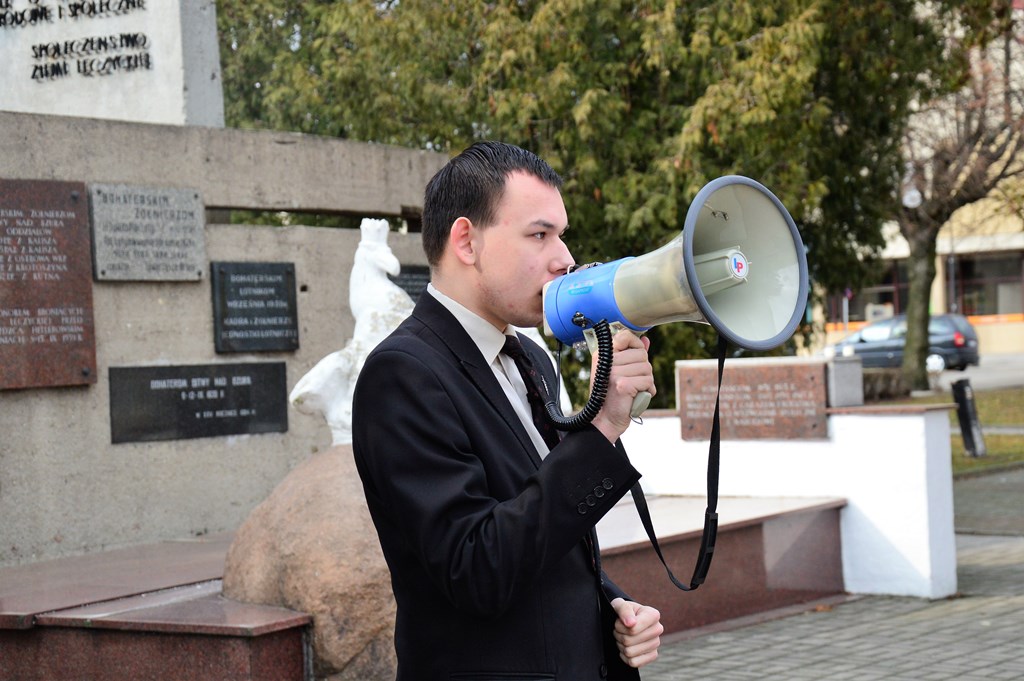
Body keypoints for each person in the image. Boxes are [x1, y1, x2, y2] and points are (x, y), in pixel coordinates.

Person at [352, 141, 663, 680]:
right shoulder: (403, 375)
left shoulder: (531, 359)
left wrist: (609, 604)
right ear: (466, 242)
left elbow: (537, 529)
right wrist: (603, 427)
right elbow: (477, 569)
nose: (564, 258)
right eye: (540, 235)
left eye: (561, 234)